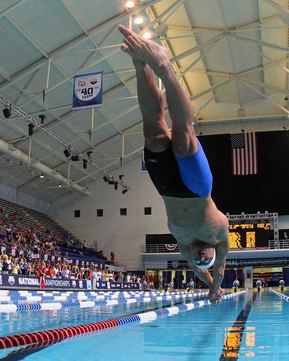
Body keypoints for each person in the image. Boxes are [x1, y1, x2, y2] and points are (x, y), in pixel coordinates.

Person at [118, 25, 229, 303]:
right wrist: (215, 287)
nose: (200, 256)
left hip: (167, 188)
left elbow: (196, 268)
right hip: (197, 187)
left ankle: (139, 61)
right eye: (206, 259)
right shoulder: (220, 237)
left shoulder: (183, 246)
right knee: (182, 137)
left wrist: (204, 279)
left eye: (198, 260)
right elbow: (218, 268)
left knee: (154, 133)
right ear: (213, 257)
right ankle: (164, 66)